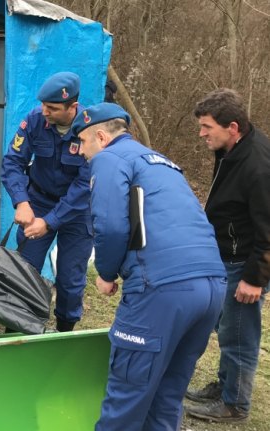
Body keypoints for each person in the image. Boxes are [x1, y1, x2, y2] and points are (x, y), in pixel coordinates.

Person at [70, 103, 226, 430]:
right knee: (168, 394)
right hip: (212, 285)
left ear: (100, 136)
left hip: (162, 289)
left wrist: (108, 274)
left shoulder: (109, 159)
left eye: (82, 142)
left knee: (127, 395)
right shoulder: (163, 162)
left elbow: (111, 225)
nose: (81, 152)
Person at [185, 89, 270, 423]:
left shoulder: (259, 166)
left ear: (232, 126)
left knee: (238, 332)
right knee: (226, 327)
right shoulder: (230, 150)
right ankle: (225, 386)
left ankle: (235, 405)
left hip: (245, 265)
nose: (202, 133)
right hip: (226, 256)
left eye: (207, 127)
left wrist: (254, 279)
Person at [0, 71, 92, 332]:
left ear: (72, 107)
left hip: (77, 211)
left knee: (70, 278)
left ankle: (64, 331)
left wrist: (50, 223)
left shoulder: (90, 128)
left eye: (52, 107)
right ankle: (16, 329)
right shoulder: (34, 120)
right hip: (38, 201)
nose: (44, 112)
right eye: (43, 105)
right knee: (25, 270)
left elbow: (85, 185)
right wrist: (21, 201)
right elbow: (13, 162)